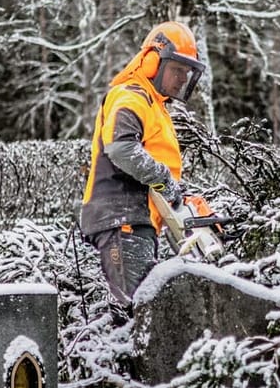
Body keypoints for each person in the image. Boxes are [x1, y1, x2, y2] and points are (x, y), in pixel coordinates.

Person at [80, 20, 206, 312]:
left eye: (186, 73)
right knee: (135, 312)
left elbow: (155, 163)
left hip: (137, 222)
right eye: (176, 70)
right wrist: (164, 180)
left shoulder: (154, 105)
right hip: (121, 218)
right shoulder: (131, 96)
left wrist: (180, 197)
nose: (181, 79)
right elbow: (121, 148)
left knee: (144, 311)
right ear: (152, 62)